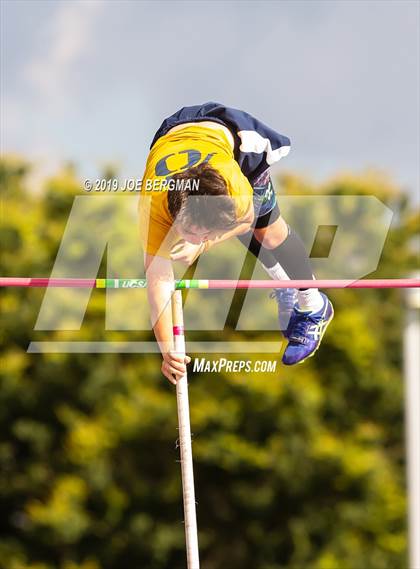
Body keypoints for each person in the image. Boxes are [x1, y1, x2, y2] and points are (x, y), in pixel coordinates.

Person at [139, 102, 333, 384]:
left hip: (237, 141)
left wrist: (202, 245)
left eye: (203, 234)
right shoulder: (152, 205)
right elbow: (158, 283)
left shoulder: (236, 190)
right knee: (233, 230)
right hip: (174, 134)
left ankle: (314, 304)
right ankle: (283, 283)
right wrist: (167, 351)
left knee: (269, 232)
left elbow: (246, 219)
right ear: (174, 214)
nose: (193, 238)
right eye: (189, 231)